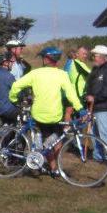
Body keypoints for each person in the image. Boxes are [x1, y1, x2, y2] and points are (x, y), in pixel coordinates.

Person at [8, 46, 86, 174]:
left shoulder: (35, 73)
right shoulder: (62, 75)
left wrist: (14, 99)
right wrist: (80, 108)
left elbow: (16, 85)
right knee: (56, 141)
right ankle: (55, 167)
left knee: (44, 140)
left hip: (38, 114)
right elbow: (71, 94)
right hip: (55, 114)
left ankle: (47, 164)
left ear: (45, 59)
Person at [85, 45, 107, 164]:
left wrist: (95, 98)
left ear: (103, 57)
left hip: (104, 107)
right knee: (93, 133)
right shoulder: (96, 69)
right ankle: (98, 155)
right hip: (94, 107)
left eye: (96, 56)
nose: (94, 58)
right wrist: (88, 95)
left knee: (105, 133)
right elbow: (90, 85)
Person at [0, 52, 19, 125]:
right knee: (23, 114)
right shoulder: (8, 76)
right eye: (11, 62)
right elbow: (18, 90)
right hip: (7, 110)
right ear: (6, 63)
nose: (12, 64)